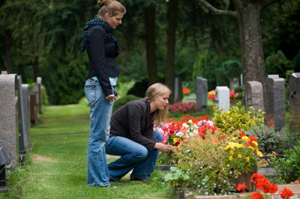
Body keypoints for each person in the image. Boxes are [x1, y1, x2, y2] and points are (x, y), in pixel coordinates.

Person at [81, 0, 126, 187]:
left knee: (100, 135)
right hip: (100, 85)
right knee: (99, 136)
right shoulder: (97, 31)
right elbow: (98, 62)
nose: (120, 22)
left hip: (103, 85)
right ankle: (99, 181)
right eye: (118, 18)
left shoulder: (103, 31)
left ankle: (96, 180)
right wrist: (108, 90)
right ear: (107, 15)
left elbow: (111, 53)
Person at [105, 83, 173, 182]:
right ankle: (107, 172)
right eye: (164, 98)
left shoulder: (152, 111)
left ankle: (141, 174)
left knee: (157, 136)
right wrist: (159, 146)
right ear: (154, 96)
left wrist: (163, 146)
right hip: (110, 139)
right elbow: (136, 136)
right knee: (140, 151)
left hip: (125, 138)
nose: (167, 102)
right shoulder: (136, 107)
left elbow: (148, 135)